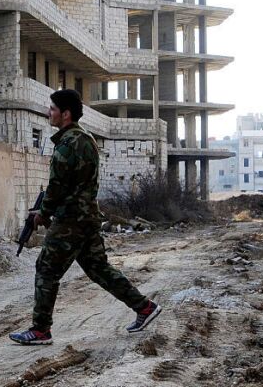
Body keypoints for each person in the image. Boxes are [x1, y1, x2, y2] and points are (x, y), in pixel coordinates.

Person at [8, 89, 161, 345]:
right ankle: (144, 307)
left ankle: (40, 330)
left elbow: (58, 187)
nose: (49, 112)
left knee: (46, 269)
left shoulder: (66, 145)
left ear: (65, 114)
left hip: (70, 222)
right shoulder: (87, 139)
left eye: (53, 109)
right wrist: (47, 209)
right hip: (87, 217)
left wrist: (42, 214)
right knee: (99, 269)